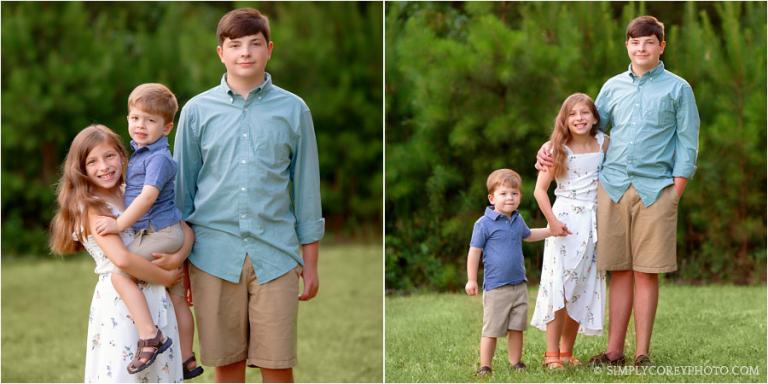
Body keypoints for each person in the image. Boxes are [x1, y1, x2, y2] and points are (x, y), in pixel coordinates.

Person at [536, 16, 700, 367]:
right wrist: (548, 149)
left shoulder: (678, 89)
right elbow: (585, 130)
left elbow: (688, 143)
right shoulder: (612, 87)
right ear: (627, 45)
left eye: (649, 42)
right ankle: (613, 352)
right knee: (619, 270)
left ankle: (641, 352)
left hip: (657, 189)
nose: (641, 48)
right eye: (634, 42)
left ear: (661, 46)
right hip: (610, 188)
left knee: (646, 271)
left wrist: (677, 189)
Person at [173, 7, 324, 383]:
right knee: (227, 366)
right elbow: (181, 196)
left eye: (254, 44)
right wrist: (181, 268)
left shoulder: (293, 109)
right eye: (235, 44)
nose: (245, 52)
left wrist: (312, 264)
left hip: (276, 255)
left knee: (277, 365)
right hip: (211, 256)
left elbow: (306, 189)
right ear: (220, 53)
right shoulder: (196, 111)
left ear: (269, 49)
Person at [50, 124, 193, 383]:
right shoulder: (91, 207)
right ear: (80, 169)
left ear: (123, 155)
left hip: (156, 299)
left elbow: (181, 228)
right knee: (122, 374)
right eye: (92, 162)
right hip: (121, 305)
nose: (103, 166)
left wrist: (177, 258)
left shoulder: (137, 195)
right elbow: (122, 260)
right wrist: (166, 277)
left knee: (160, 374)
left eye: (109, 156)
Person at [92, 84, 203, 378]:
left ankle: (150, 336)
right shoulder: (140, 155)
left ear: (167, 127)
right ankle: (188, 358)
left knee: (119, 272)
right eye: (135, 118)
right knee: (177, 297)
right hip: (170, 232)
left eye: (150, 120)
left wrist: (118, 224)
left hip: (160, 232)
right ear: (128, 118)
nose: (140, 125)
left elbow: (147, 197)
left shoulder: (157, 158)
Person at [530, 93, 607, 369]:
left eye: (585, 113)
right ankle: (551, 354)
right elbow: (539, 191)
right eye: (573, 114)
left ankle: (566, 351)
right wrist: (552, 223)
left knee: (583, 286)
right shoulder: (556, 148)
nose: (579, 118)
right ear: (565, 119)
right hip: (564, 223)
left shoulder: (603, 143)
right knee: (559, 286)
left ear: (594, 117)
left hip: (594, 222)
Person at [465, 169, 552, 376]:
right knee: (492, 329)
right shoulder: (483, 224)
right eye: (503, 194)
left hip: (519, 285)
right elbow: (474, 252)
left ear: (520, 197)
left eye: (514, 193)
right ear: (492, 197)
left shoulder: (517, 220)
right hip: (496, 287)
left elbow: (529, 235)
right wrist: (471, 279)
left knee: (516, 327)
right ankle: (485, 366)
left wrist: (550, 231)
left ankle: (516, 363)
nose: (509, 198)